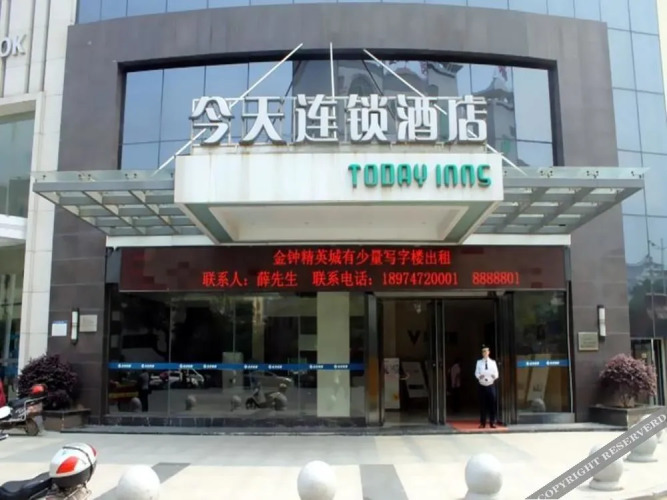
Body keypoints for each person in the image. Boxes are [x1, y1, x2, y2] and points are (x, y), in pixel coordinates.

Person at [475, 345, 499, 428]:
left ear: (489, 352)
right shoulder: (479, 362)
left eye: (486, 351)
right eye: (483, 351)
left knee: (492, 404)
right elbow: (476, 373)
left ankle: (492, 422)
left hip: (490, 384)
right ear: (482, 353)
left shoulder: (493, 362)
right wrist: (479, 376)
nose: (485, 353)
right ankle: (483, 423)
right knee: (483, 405)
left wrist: (493, 376)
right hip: (482, 385)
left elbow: (496, 373)